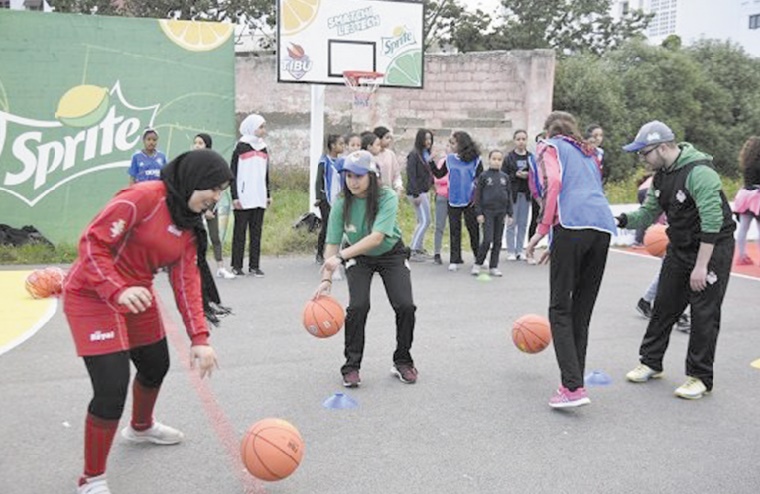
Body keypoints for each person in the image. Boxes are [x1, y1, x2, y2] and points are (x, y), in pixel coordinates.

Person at [64, 149, 232, 494]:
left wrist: (200, 338)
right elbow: (92, 243)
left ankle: (140, 428)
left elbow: (186, 284)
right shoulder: (143, 197)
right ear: (193, 180)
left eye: (221, 191)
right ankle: (91, 478)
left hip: (135, 293)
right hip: (92, 294)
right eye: (213, 189)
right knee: (111, 389)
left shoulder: (187, 226)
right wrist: (116, 289)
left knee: (156, 364)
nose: (216, 198)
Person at [617, 120, 735, 400]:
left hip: (712, 249)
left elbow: (713, 221)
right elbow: (646, 214)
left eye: (644, 153)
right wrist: (621, 219)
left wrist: (702, 266)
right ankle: (650, 362)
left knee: (704, 313)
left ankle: (700, 377)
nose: (642, 159)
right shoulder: (661, 176)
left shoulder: (700, 172)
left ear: (662, 147)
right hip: (680, 247)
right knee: (664, 306)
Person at [525, 111, 617, 409]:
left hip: (571, 225)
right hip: (601, 227)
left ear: (548, 131)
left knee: (559, 308)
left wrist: (542, 231)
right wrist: (558, 240)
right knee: (582, 310)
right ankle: (572, 382)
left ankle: (573, 387)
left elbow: (554, 186)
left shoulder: (549, 146)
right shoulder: (589, 153)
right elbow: (589, 191)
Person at [315, 150, 418, 387]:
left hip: (391, 253)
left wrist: (340, 257)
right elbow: (332, 242)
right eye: (349, 176)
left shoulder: (387, 196)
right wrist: (326, 280)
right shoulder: (342, 202)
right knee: (358, 307)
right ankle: (351, 367)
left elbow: (377, 238)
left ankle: (403, 361)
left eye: (359, 176)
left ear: (372, 176)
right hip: (358, 257)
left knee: (405, 306)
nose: (353, 181)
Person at [429, 131, 483, 272]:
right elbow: (439, 174)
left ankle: (479, 257)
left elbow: (480, 179)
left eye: (453, 143)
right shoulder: (450, 159)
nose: (450, 146)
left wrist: (476, 197)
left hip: (470, 200)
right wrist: (432, 162)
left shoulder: (476, 160)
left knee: (473, 230)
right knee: (454, 230)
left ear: (462, 144)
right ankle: (454, 259)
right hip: (453, 199)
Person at [230, 113, 271, 277]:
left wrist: (268, 194)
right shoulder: (240, 147)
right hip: (243, 196)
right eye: (261, 126)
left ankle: (254, 265)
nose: (263, 130)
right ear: (252, 127)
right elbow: (232, 173)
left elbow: (266, 173)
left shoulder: (263, 147)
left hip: (259, 196)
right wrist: (235, 196)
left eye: (264, 126)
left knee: (256, 233)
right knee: (239, 233)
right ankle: (236, 265)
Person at [193, 133, 235, 279]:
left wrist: (209, 209)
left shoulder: (212, 164)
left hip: (211, 208)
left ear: (207, 146)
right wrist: (201, 209)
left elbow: (219, 186)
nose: (197, 145)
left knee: (215, 237)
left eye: (200, 143)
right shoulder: (190, 164)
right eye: (196, 143)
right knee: (194, 239)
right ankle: (194, 269)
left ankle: (221, 268)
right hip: (195, 209)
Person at [473, 150, 513, 277]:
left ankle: (493, 266)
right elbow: (477, 196)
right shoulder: (484, 176)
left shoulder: (505, 177)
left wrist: (510, 213)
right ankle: (478, 263)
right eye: (494, 159)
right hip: (487, 212)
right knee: (487, 239)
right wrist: (479, 213)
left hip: (501, 212)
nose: (496, 161)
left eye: (499, 159)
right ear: (489, 160)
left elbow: (509, 195)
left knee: (498, 241)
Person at [502, 130, 536, 261]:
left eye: (523, 139)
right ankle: (510, 250)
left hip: (526, 194)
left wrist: (529, 175)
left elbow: (535, 174)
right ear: (514, 141)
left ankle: (519, 250)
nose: (521, 142)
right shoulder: (509, 158)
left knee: (523, 223)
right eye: (518, 139)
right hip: (513, 194)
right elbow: (504, 176)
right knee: (511, 222)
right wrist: (515, 175)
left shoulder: (531, 157)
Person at [314, 134, 346, 264]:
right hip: (325, 198)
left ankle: (339, 253)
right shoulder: (324, 161)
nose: (343, 146)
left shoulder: (341, 162)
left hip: (339, 198)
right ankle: (321, 252)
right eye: (340, 144)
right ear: (333, 146)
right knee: (327, 225)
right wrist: (318, 196)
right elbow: (319, 180)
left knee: (340, 226)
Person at [406, 129, 435, 261]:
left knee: (422, 220)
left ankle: (419, 247)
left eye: (430, 139)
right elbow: (411, 175)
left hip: (424, 191)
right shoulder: (414, 155)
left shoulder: (426, 154)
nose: (428, 142)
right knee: (425, 221)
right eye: (426, 139)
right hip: (417, 192)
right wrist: (415, 193)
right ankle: (413, 250)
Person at [732, 136, 760, 265]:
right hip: (757, 196)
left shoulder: (746, 164)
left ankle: (742, 255)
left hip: (744, 195)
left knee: (743, 228)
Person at [373, 126, 404, 195]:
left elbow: (396, 174)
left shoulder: (390, 154)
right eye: (387, 138)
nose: (389, 140)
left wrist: (398, 186)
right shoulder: (372, 155)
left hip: (388, 193)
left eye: (390, 138)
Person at [432, 151, 450, 265]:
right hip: (442, 195)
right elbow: (437, 178)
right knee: (440, 225)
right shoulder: (443, 162)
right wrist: (449, 181)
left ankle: (455, 254)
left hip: (456, 197)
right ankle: (437, 252)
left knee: (455, 227)